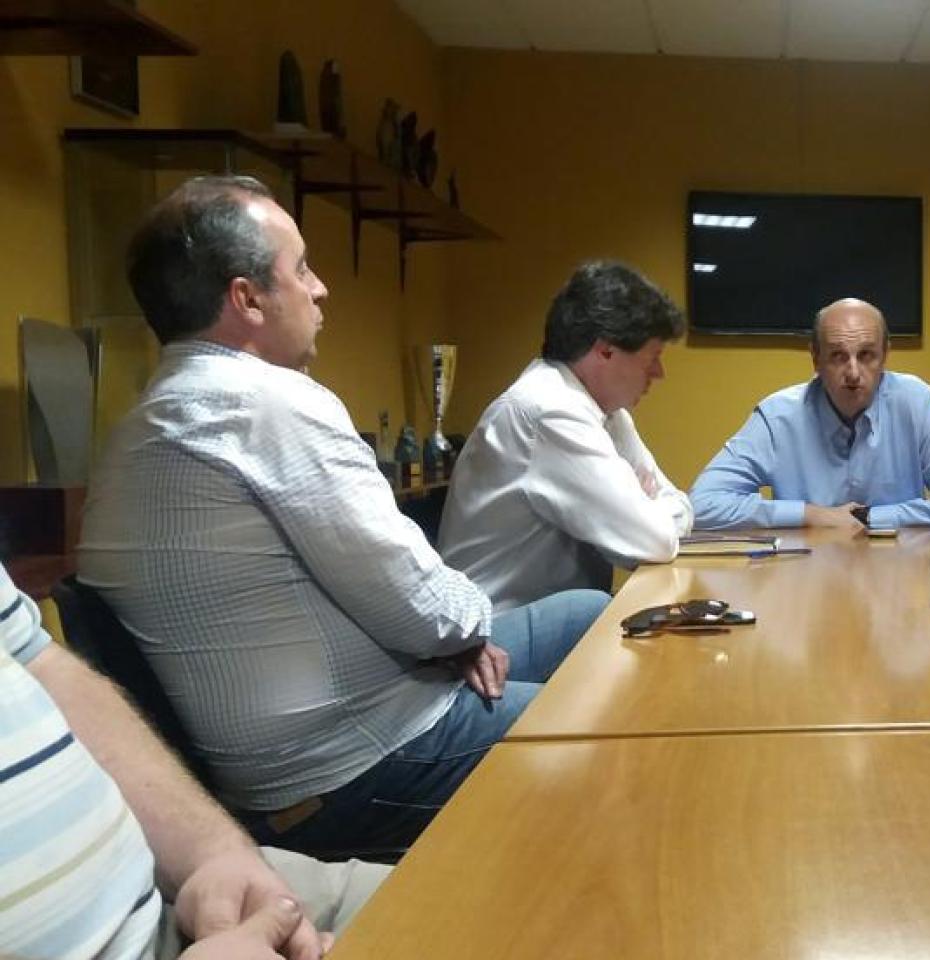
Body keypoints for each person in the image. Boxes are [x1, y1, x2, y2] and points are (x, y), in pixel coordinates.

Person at [78, 175, 610, 857]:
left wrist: (452, 636)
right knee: (622, 725)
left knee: (588, 613)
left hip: (349, 722)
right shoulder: (269, 405)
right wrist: (456, 635)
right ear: (247, 299)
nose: (320, 288)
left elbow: (413, 606)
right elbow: (421, 604)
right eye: (301, 269)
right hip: (354, 769)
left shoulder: (145, 420)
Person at [0, 567, 389, 960]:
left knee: (426, 905)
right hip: (325, 778)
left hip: (176, 901)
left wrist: (214, 855)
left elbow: (41, 663)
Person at [439, 261, 692, 608]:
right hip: (493, 629)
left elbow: (679, 505)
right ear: (605, 350)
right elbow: (653, 542)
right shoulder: (550, 411)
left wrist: (649, 510)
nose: (659, 373)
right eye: (653, 357)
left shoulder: (607, 412)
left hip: (553, 611)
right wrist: (646, 509)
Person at [689, 297, 930, 530]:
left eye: (866, 355)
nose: (853, 373)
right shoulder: (778, 417)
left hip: (898, 573)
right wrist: (811, 515)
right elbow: (701, 505)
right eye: (837, 356)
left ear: (885, 356)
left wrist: (871, 518)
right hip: (806, 574)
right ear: (816, 359)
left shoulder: (916, 403)